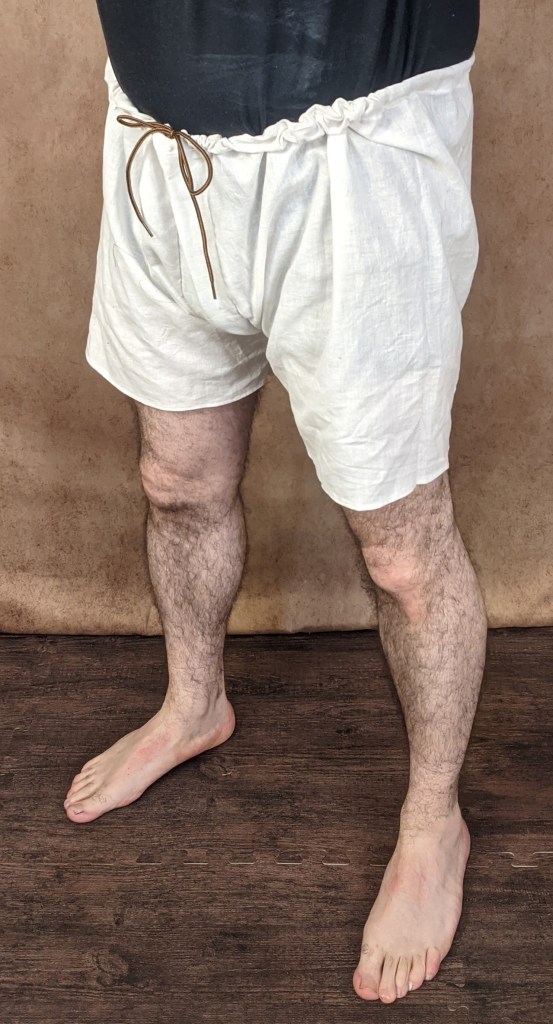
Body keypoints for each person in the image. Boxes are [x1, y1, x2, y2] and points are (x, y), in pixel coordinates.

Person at [66, 0, 486, 1006]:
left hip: (358, 163)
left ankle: (433, 822)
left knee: (402, 554)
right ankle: (193, 705)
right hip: (161, 147)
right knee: (178, 484)